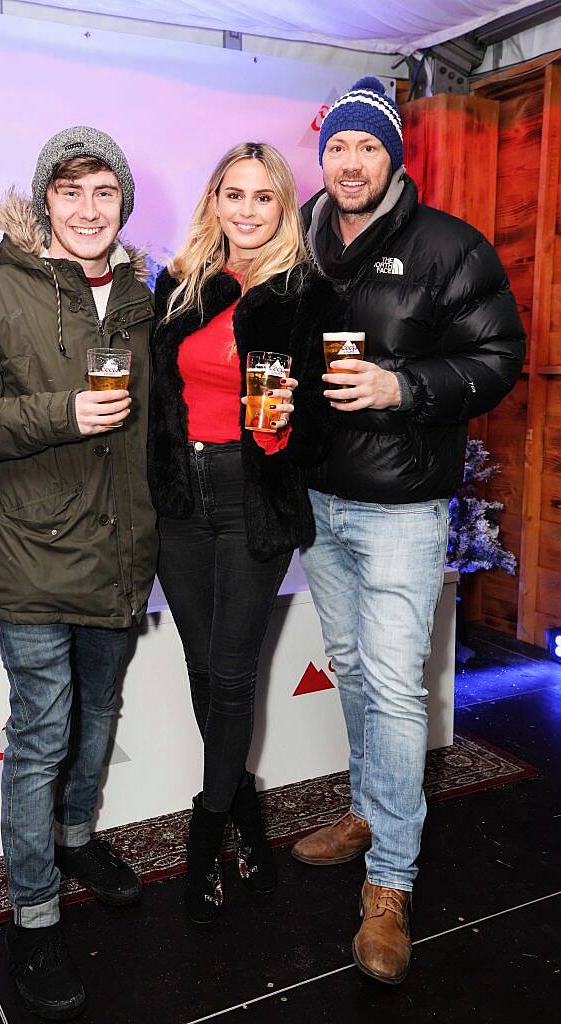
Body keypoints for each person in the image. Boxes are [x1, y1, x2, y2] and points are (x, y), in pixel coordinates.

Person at [292, 78, 525, 984]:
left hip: (402, 507)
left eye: (367, 146)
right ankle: (365, 809)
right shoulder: (306, 240)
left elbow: (496, 357)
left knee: (392, 687)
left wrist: (403, 387)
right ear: (322, 157)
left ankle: (390, 881)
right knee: (352, 668)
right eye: (337, 147)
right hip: (319, 499)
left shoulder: (448, 246)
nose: (349, 162)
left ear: (392, 155)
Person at [0, 126, 158, 1020]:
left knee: (98, 712)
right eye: (71, 193)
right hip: (30, 552)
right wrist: (62, 413)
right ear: (45, 204)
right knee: (42, 731)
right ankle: (32, 911)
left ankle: (74, 839)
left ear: (122, 204)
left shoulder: (142, 300)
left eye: (104, 193)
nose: (88, 210)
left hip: (119, 553)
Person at [149, 142, 343, 923]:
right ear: (214, 201)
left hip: (251, 494)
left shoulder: (308, 295)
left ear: (283, 207)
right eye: (234, 194)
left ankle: (205, 834)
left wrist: (289, 428)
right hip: (178, 500)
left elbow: (330, 418)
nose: (247, 210)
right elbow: (159, 398)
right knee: (203, 668)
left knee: (231, 675)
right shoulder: (180, 285)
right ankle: (248, 816)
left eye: (263, 198)